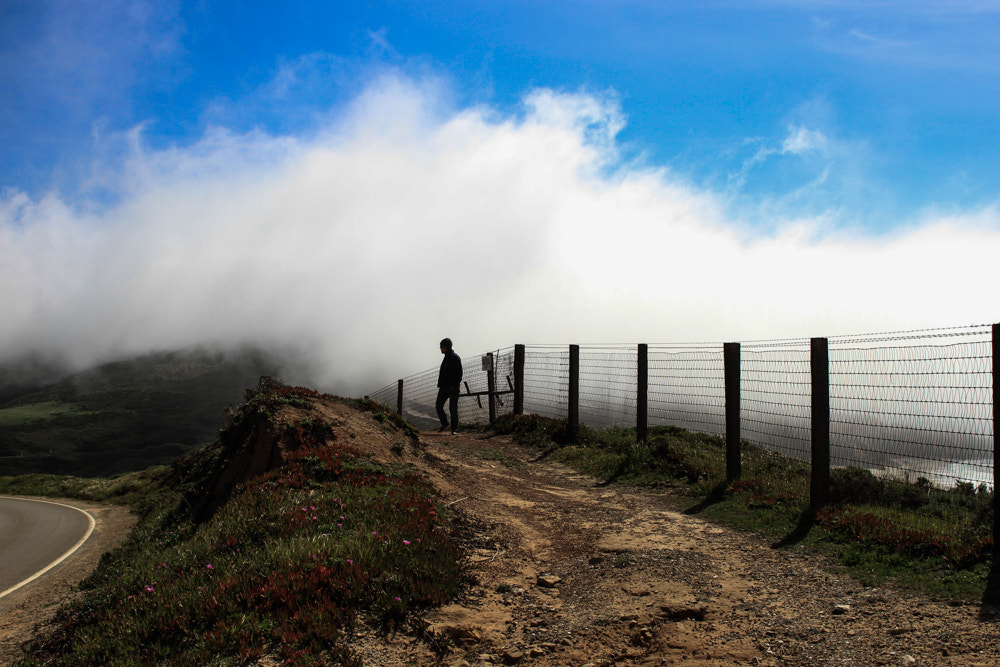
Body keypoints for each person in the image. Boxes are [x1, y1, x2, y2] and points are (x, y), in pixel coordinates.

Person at [435, 338, 463, 434]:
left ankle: (454, 429)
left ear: (445, 347)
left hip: (452, 387)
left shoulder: (454, 357)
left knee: (453, 408)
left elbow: (459, 373)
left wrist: (453, 385)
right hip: (444, 387)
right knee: (439, 405)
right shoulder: (447, 357)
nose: (440, 349)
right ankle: (445, 423)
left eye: (441, 347)